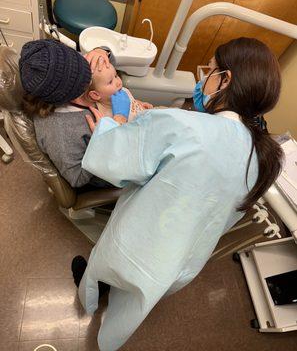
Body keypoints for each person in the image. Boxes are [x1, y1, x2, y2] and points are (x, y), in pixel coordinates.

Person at [71, 37, 283, 351]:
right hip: (177, 260)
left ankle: (90, 298)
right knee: (134, 303)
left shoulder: (182, 125)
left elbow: (111, 162)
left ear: (225, 80)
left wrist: (113, 124)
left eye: (209, 71)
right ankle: (107, 342)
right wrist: (151, 119)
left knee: (105, 269)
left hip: (135, 241)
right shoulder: (263, 157)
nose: (202, 80)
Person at [19, 39, 123, 188]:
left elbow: (102, 66)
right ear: (71, 93)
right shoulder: (59, 132)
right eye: (85, 76)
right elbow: (77, 179)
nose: (88, 68)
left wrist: (101, 51)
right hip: (108, 168)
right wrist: (101, 143)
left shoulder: (67, 69)